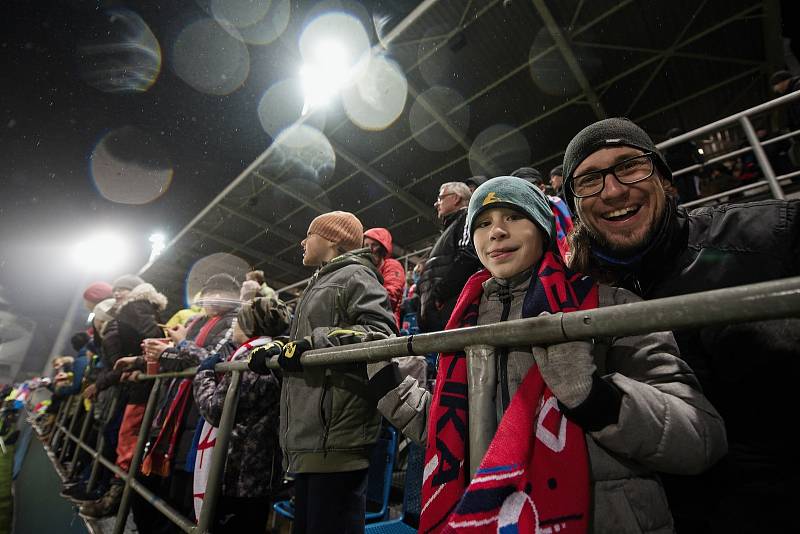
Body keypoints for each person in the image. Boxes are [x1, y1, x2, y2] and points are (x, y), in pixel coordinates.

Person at [367, 176, 726, 532]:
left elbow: (700, 441)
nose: (496, 232)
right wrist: (388, 385)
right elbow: (456, 433)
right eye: (483, 223)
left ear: (542, 226)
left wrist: (596, 398)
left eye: (513, 216)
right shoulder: (462, 326)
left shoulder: (607, 307)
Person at [562, 116, 800, 533]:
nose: (614, 190)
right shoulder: (577, 301)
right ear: (576, 207)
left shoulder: (763, 237)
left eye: (630, 166)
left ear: (665, 179)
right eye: (589, 180)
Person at [246, 211, 396, 534]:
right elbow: (310, 342)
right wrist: (281, 349)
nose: (302, 241)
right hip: (310, 437)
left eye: (309, 234)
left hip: (338, 439)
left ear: (332, 240)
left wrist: (309, 346)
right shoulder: (319, 284)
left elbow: (381, 335)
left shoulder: (356, 276)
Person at [192, 297, 291, 532]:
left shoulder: (254, 360)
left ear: (250, 327)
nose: (233, 327)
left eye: (237, 322)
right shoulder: (262, 354)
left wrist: (203, 376)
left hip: (242, 472)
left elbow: (216, 410)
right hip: (254, 470)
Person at [417, 182, 482, 333]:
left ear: (455, 198)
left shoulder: (466, 217)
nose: (436, 203)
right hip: (440, 313)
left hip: (452, 311)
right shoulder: (450, 228)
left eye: (440, 198)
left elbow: (469, 256)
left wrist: (439, 294)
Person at [363, 227, 406, 329]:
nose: (369, 249)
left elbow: (390, 297)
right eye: (366, 245)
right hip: (366, 323)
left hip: (386, 324)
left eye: (374, 245)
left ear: (383, 248)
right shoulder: (365, 269)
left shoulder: (392, 265)